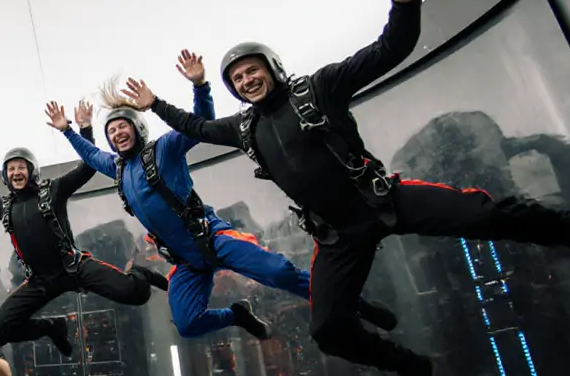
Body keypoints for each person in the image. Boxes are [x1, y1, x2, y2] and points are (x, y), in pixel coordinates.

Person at [134, 0, 570, 376]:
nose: (246, 80)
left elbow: (387, 52)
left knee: (488, 214)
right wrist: (157, 103)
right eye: (238, 78)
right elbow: (197, 128)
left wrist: (405, 2)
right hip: (338, 234)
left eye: (252, 70)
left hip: (383, 199)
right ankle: (409, 366)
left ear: (272, 67)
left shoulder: (319, 88)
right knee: (329, 330)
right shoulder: (244, 128)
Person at [55, 52, 397, 343]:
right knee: (187, 325)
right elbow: (89, 154)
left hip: (212, 238)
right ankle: (237, 315)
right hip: (186, 261)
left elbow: (200, 122)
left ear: (137, 129)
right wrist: (69, 130)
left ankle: (355, 304)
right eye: (111, 132)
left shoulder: (165, 149)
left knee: (279, 273)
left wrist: (200, 85)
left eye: (122, 126)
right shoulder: (115, 168)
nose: (117, 134)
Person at [0, 104, 167, 355]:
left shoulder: (53, 190)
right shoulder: (3, 205)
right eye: (10, 169)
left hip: (74, 268)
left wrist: (84, 129)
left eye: (20, 167)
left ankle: (141, 273)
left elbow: (87, 167)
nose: (16, 172)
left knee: (136, 293)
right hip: (39, 281)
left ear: (31, 170)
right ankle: (51, 327)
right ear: (5, 175)